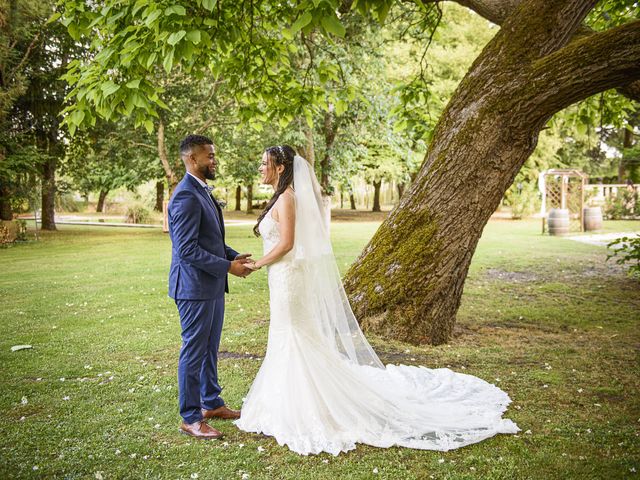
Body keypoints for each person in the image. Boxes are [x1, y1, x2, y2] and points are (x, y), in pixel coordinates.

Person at [234, 145, 520, 455]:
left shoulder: (288, 197)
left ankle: (306, 405)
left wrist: (258, 264)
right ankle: (283, 401)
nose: (260, 168)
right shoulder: (281, 197)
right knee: (288, 335)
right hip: (283, 278)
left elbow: (288, 243)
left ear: (279, 167)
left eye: (264, 163)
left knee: (294, 335)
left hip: (288, 279)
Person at [168, 134, 253, 439]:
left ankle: (212, 403)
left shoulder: (201, 191)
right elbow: (187, 249)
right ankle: (190, 418)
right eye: (210, 156)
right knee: (194, 351)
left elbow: (210, 239)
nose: (215, 161)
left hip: (211, 285)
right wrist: (229, 267)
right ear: (192, 159)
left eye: (215, 155)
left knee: (209, 348)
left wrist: (232, 255)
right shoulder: (185, 196)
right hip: (193, 288)